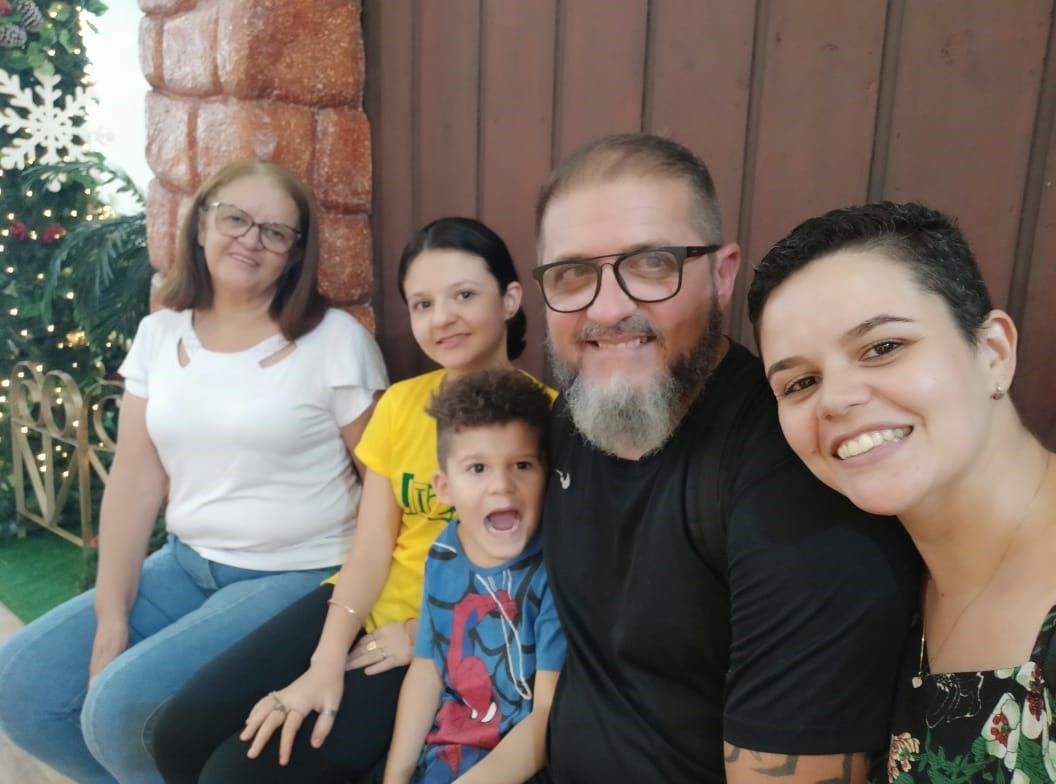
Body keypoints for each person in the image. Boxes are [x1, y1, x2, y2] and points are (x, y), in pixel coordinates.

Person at [531, 133, 920, 782]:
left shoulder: (794, 488)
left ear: (721, 274)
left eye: (652, 263)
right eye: (571, 274)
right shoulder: (572, 417)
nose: (608, 308)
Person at [0, 158, 388, 783]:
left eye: (275, 231)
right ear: (201, 224)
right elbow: (135, 481)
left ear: (294, 254)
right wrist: (112, 616)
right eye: (235, 218)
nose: (250, 240)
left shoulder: (335, 341)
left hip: (300, 573)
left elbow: (386, 484)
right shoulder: (160, 335)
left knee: (119, 707)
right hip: (185, 564)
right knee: (21, 687)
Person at [152, 217, 545, 783]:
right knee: (178, 735)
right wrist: (326, 659)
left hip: (445, 635)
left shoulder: (545, 420)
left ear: (509, 299)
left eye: (463, 295)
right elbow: (371, 547)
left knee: (233, 777)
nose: (442, 318)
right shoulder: (402, 406)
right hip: (360, 604)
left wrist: (421, 634)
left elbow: (540, 579)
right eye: (423, 304)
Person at [747, 201, 1056, 783]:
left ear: (994, 352)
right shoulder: (874, 587)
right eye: (801, 382)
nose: (836, 400)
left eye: (883, 347)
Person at [382, 368, 562, 784]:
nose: (501, 485)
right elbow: (427, 669)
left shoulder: (553, 568)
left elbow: (547, 713)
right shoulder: (443, 553)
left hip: (526, 759)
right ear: (444, 487)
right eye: (477, 468)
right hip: (451, 751)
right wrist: (395, 777)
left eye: (521, 465)